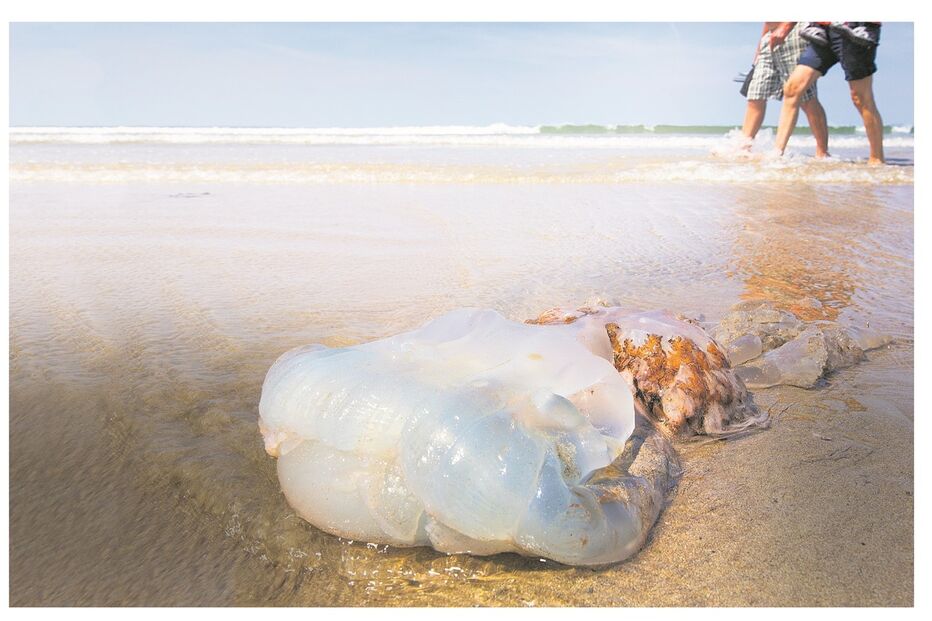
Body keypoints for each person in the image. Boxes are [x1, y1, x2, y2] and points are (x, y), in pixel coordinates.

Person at [775, 22, 884, 164]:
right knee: (792, 88)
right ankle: (777, 154)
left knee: (860, 97)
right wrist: (786, 25)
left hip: (856, 29)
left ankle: (877, 158)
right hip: (823, 31)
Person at [741, 22, 829, 157]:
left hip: (794, 33)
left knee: (806, 99)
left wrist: (786, 27)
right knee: (755, 94)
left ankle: (822, 152)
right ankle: (744, 147)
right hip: (769, 37)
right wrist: (757, 55)